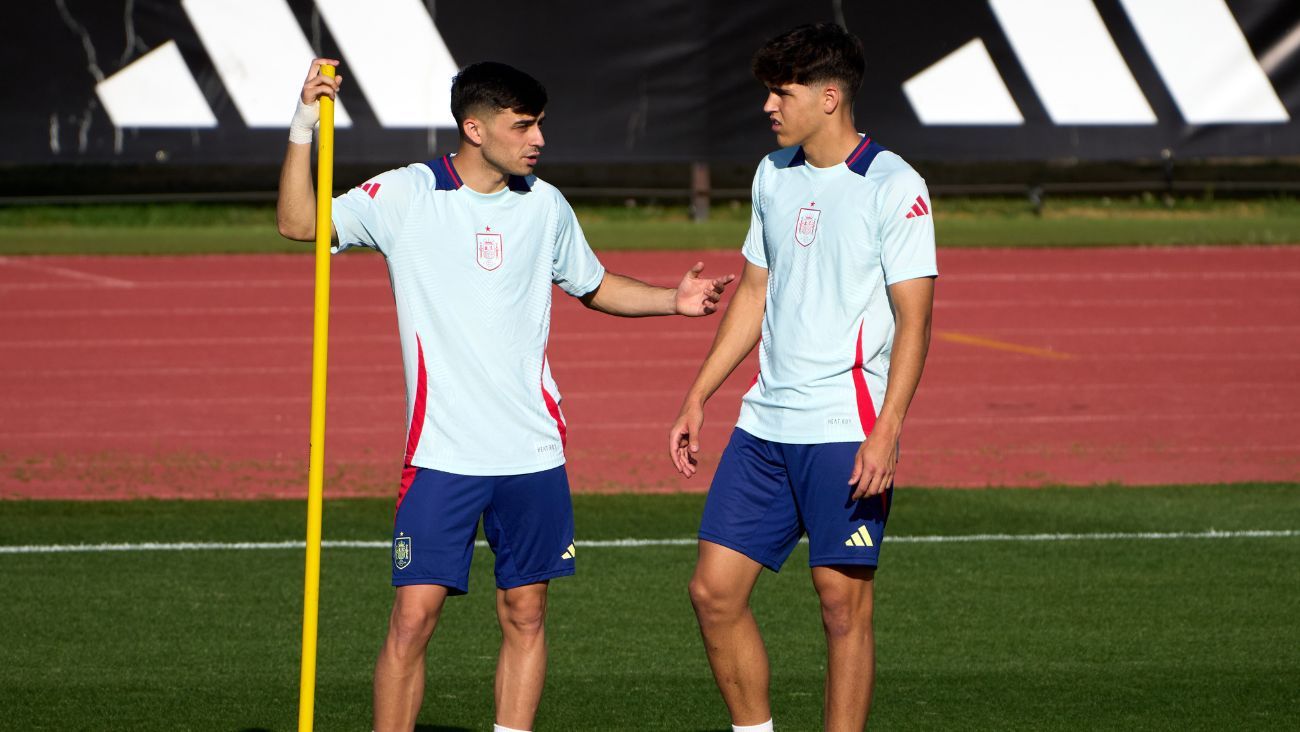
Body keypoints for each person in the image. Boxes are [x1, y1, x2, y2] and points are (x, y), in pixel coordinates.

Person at [278, 58, 734, 732]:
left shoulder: (544, 203)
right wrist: (302, 128)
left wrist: (673, 299)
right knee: (413, 617)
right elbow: (300, 223)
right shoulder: (407, 194)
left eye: (540, 124)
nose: (538, 138)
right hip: (442, 453)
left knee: (526, 613)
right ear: (476, 127)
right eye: (523, 125)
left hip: (532, 451)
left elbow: (593, 283)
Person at [668, 23, 937, 731]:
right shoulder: (772, 173)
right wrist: (700, 395)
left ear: (828, 96)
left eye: (780, 92)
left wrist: (887, 431)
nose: (768, 106)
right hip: (763, 427)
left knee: (841, 606)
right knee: (712, 593)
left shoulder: (894, 185)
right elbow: (755, 293)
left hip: (845, 431)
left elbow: (916, 319)